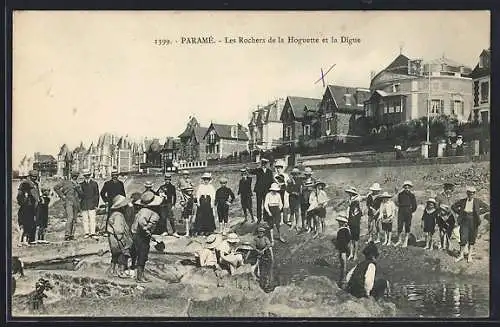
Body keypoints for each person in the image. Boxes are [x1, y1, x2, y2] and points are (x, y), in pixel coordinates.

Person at [131, 191, 163, 283]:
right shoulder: (149, 212)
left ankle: (140, 275)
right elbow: (142, 222)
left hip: (137, 234)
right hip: (141, 236)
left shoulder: (142, 211)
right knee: (142, 255)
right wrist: (147, 230)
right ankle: (139, 277)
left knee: (140, 254)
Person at [451, 186, 489, 263]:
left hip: (473, 221)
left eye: (472, 193)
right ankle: (461, 255)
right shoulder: (462, 201)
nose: (470, 195)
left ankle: (469, 256)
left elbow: (487, 207)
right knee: (463, 237)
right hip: (464, 220)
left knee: (472, 238)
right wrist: (460, 212)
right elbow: (453, 206)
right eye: (469, 193)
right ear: (467, 193)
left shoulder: (477, 201)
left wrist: (478, 213)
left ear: (474, 194)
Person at [106, 195, 134, 278]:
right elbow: (119, 230)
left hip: (113, 239)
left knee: (114, 256)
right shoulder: (119, 216)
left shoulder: (114, 214)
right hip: (118, 239)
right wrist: (122, 240)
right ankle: (121, 272)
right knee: (123, 255)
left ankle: (112, 270)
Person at [54, 171, 83, 241]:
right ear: (71, 176)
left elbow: (82, 194)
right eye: (73, 176)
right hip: (68, 202)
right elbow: (56, 188)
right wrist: (62, 196)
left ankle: (72, 235)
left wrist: (78, 189)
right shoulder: (66, 182)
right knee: (70, 217)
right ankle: (67, 234)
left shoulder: (78, 184)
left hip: (76, 203)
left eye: (76, 176)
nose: (75, 177)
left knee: (74, 219)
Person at [17, 170, 41, 245]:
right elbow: (20, 195)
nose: (34, 178)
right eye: (33, 176)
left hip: (35, 205)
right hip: (27, 206)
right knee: (27, 223)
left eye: (35, 176)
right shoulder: (25, 183)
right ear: (30, 176)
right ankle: (25, 240)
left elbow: (37, 194)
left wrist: (40, 199)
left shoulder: (36, 184)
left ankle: (31, 239)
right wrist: (23, 202)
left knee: (33, 222)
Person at [248, 158, 274, 223]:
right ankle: (259, 218)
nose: (264, 165)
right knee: (259, 204)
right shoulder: (258, 170)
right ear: (261, 164)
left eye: (265, 163)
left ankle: (265, 218)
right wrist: (250, 168)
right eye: (263, 163)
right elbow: (251, 172)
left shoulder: (269, 171)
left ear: (267, 164)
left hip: (266, 190)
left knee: (266, 204)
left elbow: (271, 181)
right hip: (259, 190)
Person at [395, 180, 417, 248]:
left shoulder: (412, 195)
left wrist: (410, 211)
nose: (407, 187)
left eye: (408, 186)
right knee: (400, 225)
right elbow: (397, 202)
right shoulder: (400, 194)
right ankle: (399, 240)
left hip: (408, 211)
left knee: (407, 226)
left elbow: (414, 205)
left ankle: (406, 241)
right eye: (406, 186)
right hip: (401, 210)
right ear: (404, 187)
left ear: (410, 187)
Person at [79, 169, 100, 239]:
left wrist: (96, 205)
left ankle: (93, 233)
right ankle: (86, 233)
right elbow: (80, 196)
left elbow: (97, 195)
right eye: (85, 175)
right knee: (85, 219)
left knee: (92, 219)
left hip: (92, 204)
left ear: (90, 175)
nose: (87, 176)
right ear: (84, 176)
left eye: (88, 175)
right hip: (84, 204)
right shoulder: (81, 185)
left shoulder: (94, 184)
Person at [254, 224, 274, 290]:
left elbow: (269, 245)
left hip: (266, 255)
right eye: (259, 232)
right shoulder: (256, 239)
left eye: (262, 232)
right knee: (261, 271)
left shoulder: (265, 238)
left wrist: (263, 250)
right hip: (259, 255)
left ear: (263, 233)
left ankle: (269, 285)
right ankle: (262, 285)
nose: (260, 233)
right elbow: (253, 246)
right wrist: (257, 251)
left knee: (268, 271)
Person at [334, 213, 351, 285]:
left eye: (340, 222)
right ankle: (342, 279)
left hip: (343, 249)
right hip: (343, 249)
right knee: (343, 263)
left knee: (343, 264)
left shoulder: (343, 230)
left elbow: (344, 241)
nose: (339, 223)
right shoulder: (345, 230)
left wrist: (345, 248)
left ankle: (344, 279)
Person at [345, 186, 362, 261]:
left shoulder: (357, 200)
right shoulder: (350, 202)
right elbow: (348, 212)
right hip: (351, 221)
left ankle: (355, 254)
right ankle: (351, 254)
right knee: (351, 239)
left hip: (356, 222)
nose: (350, 194)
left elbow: (359, 211)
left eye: (352, 193)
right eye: (350, 193)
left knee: (356, 239)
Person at [274, 160, 290, 226]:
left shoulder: (286, 175)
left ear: (282, 168)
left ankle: (286, 220)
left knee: (286, 206)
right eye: (277, 168)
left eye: (280, 168)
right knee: (279, 205)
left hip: (285, 192)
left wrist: (285, 184)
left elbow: (288, 183)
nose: (278, 169)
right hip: (278, 192)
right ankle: (280, 220)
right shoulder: (275, 176)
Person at [300, 167, 316, 232]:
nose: (307, 175)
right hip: (304, 199)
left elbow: (316, 190)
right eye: (306, 174)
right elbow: (300, 190)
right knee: (304, 213)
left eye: (309, 174)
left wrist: (311, 189)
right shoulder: (302, 181)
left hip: (311, 200)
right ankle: (305, 226)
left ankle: (312, 227)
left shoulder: (314, 180)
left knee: (311, 213)